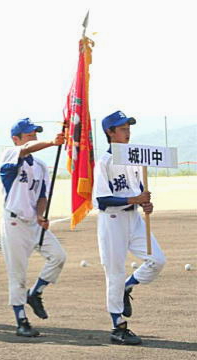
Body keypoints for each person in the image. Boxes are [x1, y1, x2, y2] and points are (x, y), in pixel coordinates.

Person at [93, 111, 166, 345]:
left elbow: (139, 189)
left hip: (133, 219)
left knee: (157, 259)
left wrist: (144, 201)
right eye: (122, 128)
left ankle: (128, 286)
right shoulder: (104, 161)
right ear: (110, 132)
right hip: (112, 221)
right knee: (113, 272)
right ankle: (118, 327)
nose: (127, 131)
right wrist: (134, 199)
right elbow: (102, 200)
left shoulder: (134, 158)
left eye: (128, 127)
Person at [0, 118, 66, 337]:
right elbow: (25, 149)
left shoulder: (39, 166)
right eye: (29, 134)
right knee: (17, 274)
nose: (33, 137)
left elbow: (42, 195)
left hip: (33, 223)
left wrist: (40, 214)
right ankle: (21, 320)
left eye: (35, 133)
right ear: (16, 139)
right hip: (14, 222)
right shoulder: (10, 154)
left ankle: (35, 292)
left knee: (58, 256)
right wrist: (51, 142)